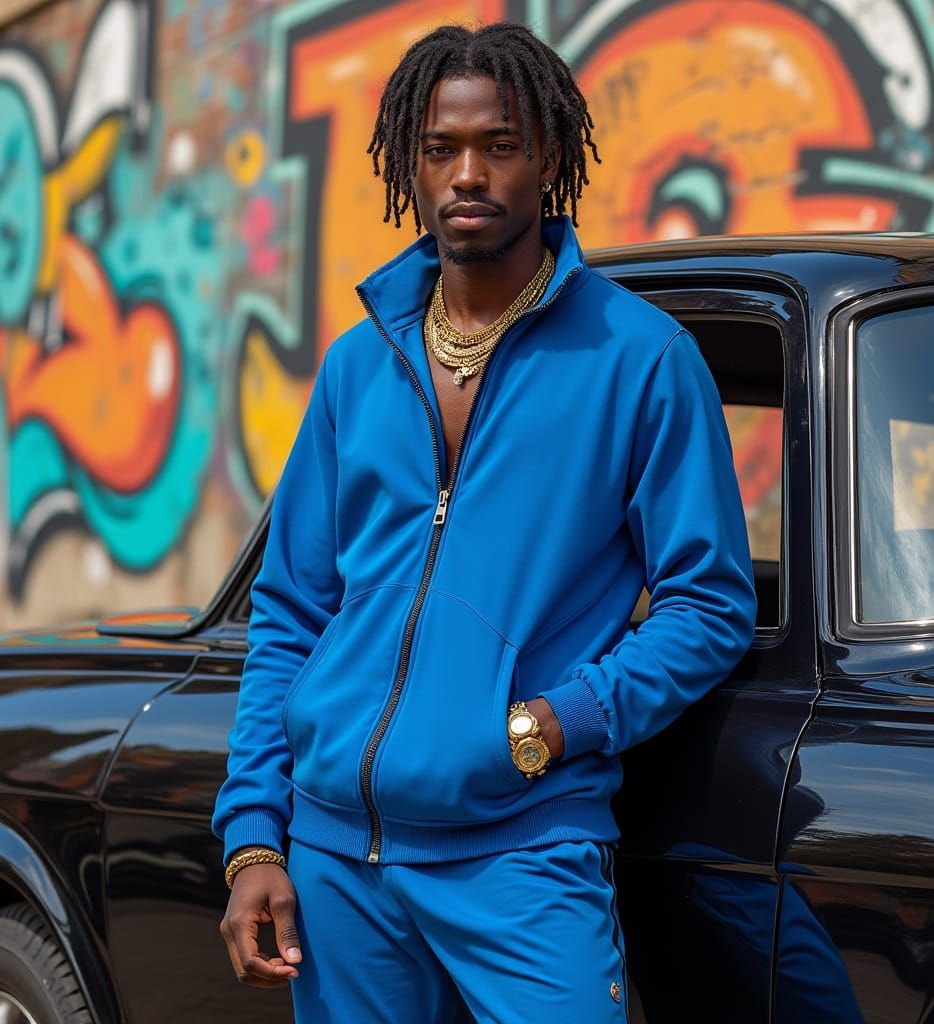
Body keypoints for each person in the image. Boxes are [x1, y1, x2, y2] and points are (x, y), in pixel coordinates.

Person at [213, 21, 756, 1024]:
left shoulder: (638, 359)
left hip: (522, 848)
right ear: (408, 168)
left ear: (548, 155)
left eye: (497, 146)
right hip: (335, 860)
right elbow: (290, 614)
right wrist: (255, 835)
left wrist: (550, 724)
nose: (468, 173)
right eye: (441, 150)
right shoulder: (354, 366)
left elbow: (707, 602)